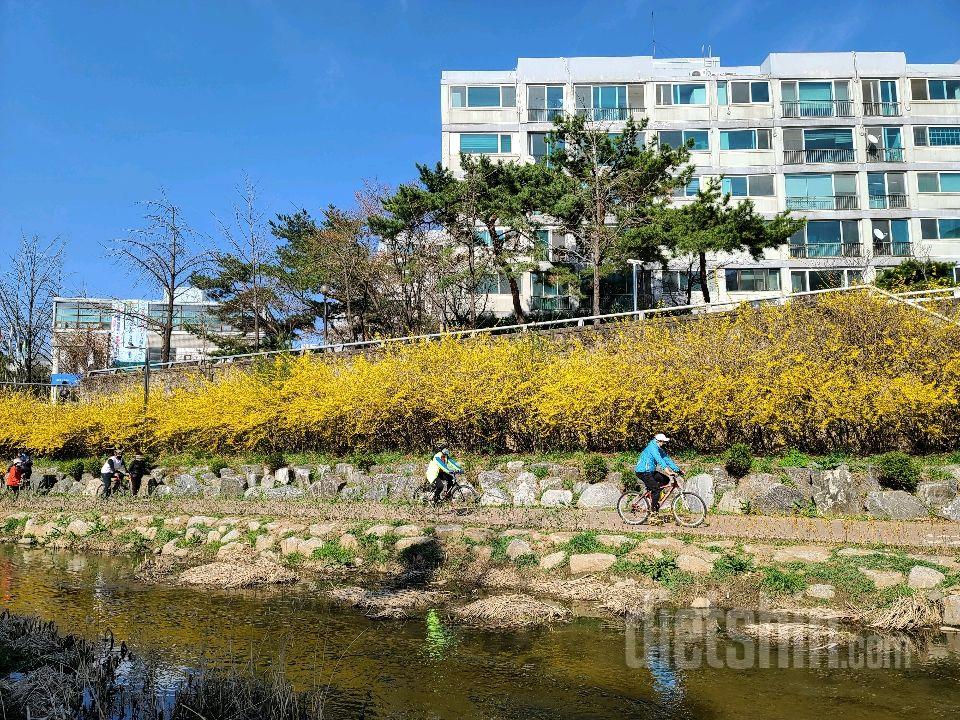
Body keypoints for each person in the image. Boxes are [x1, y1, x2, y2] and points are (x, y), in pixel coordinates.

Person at [634, 433, 681, 512]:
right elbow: (660, 460)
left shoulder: (658, 448)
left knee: (665, 480)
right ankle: (653, 510)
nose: (664, 444)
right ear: (658, 441)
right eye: (663, 442)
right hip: (643, 472)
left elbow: (666, 459)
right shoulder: (652, 448)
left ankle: (653, 496)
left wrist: (677, 470)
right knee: (656, 489)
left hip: (650, 471)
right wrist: (668, 471)